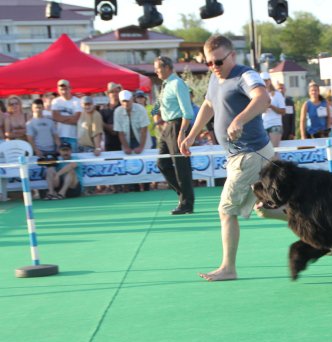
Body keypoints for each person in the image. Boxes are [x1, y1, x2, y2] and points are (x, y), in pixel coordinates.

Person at [179, 34, 274, 282]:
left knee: (225, 211)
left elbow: (263, 98)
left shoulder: (245, 74)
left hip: (250, 155)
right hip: (241, 156)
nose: (213, 67)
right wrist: (191, 135)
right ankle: (330, 234)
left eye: (218, 62)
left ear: (232, 55)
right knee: (267, 208)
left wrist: (239, 119)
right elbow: (209, 106)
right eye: (208, 63)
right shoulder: (214, 77)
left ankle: (228, 268)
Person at [154, 56, 195, 215]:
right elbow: (158, 104)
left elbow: (187, 111)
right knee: (162, 163)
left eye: (158, 68)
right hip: (167, 126)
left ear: (167, 67)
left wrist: (182, 132)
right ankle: (183, 194)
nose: (156, 71)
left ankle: (186, 203)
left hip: (178, 125)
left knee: (180, 166)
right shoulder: (165, 85)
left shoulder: (177, 83)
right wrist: (155, 115)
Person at [114, 90, 150, 155]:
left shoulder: (141, 109)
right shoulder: (117, 111)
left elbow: (144, 130)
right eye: (123, 101)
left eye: (127, 101)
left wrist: (141, 147)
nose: (126, 103)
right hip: (127, 141)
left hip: (143, 142)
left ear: (132, 99)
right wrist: (126, 147)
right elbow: (120, 132)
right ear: (120, 101)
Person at [51, 79, 81, 152]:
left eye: (66, 89)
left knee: (73, 157)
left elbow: (76, 119)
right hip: (59, 136)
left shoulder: (77, 101)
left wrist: (60, 118)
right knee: (60, 160)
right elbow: (55, 117)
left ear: (70, 88)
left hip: (73, 136)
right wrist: (71, 117)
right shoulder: (56, 101)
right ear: (58, 90)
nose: (64, 92)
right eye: (61, 89)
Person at [260, 72, 286, 149]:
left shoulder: (278, 94)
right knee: (266, 153)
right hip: (263, 125)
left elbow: (283, 111)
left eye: (266, 80)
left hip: (275, 124)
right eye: (262, 80)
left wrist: (271, 106)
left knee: (274, 152)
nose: (264, 82)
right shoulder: (259, 95)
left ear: (270, 81)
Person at [100, 82, 122, 152]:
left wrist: (103, 124)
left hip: (122, 144)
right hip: (107, 143)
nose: (115, 94)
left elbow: (114, 130)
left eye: (117, 91)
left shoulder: (122, 107)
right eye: (112, 92)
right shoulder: (103, 108)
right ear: (108, 94)